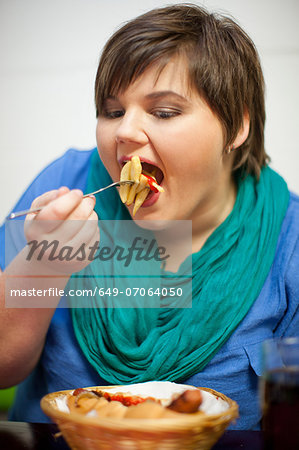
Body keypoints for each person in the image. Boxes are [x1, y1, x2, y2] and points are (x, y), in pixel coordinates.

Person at [0, 3, 298, 430]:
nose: (123, 132)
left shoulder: (290, 238)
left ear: (237, 127)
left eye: (163, 112)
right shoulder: (66, 184)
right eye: (113, 111)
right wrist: (41, 265)